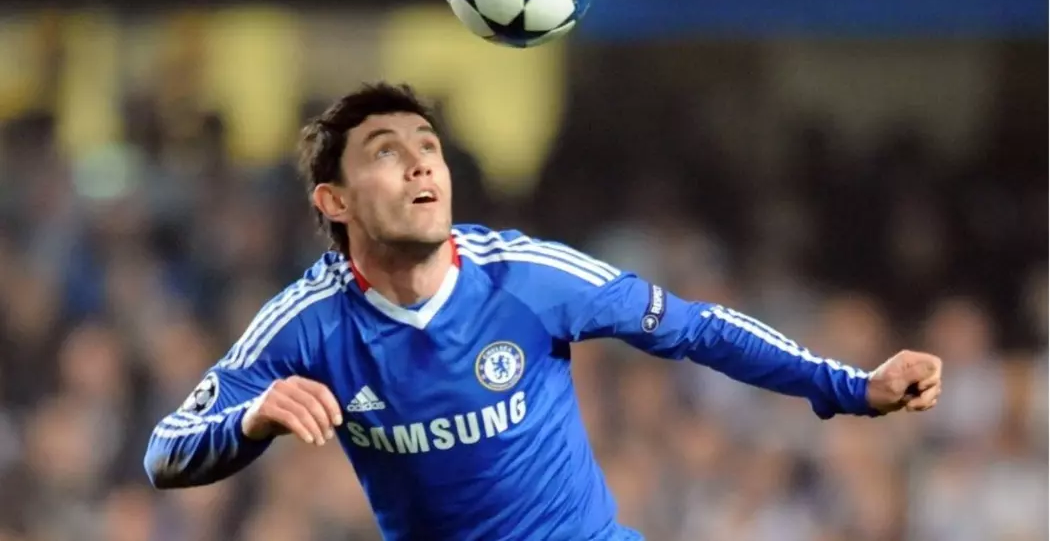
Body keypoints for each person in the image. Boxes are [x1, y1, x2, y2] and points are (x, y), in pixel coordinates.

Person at [143, 82, 943, 541]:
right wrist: (252, 422)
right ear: (335, 201)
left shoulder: (527, 278)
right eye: (387, 151)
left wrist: (851, 387)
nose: (422, 164)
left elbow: (697, 329)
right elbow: (164, 454)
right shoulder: (307, 324)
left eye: (428, 146)